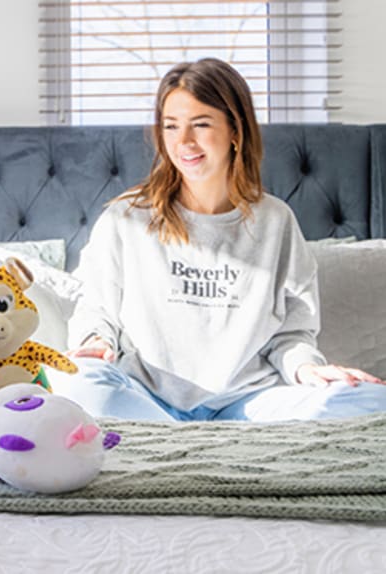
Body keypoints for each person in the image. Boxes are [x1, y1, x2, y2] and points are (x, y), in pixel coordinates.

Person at [60, 57, 386, 422]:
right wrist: (96, 343)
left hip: (247, 404)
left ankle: (176, 441)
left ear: (235, 130)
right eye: (171, 126)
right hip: (145, 397)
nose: (183, 141)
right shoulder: (127, 219)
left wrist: (306, 369)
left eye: (200, 124)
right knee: (72, 384)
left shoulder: (275, 221)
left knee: (372, 401)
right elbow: (97, 309)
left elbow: (292, 334)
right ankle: (184, 438)